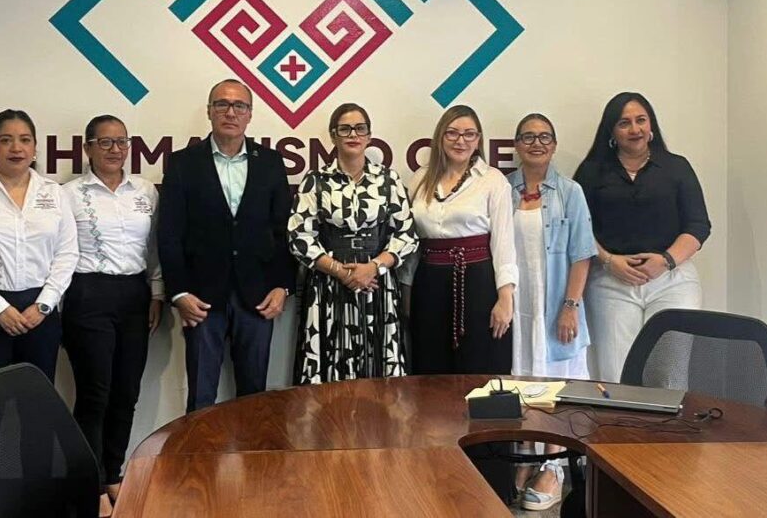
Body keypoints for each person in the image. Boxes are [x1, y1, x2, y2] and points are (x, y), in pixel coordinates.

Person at [157, 79, 295, 412]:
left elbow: (284, 230)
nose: (230, 112)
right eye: (222, 104)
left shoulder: (270, 162)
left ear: (249, 114)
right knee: (201, 400)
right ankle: (197, 450)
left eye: (239, 106)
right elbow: (170, 233)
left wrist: (283, 286)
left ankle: (252, 450)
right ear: (209, 112)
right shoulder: (183, 163)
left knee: (254, 398)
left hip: (258, 296)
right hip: (201, 299)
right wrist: (178, 293)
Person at [62, 115, 163, 517]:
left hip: (134, 295)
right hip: (88, 294)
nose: (115, 150)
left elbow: (154, 248)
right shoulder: (69, 194)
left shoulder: (144, 191)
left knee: (126, 392)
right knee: (95, 393)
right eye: (105, 142)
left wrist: (156, 292)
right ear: (87, 147)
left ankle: (114, 473)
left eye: (121, 142)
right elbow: (60, 250)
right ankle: (91, 482)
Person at [574, 91, 711, 383]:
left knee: (669, 374)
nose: (634, 129)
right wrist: (609, 261)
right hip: (611, 282)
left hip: (672, 281)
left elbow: (699, 225)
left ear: (651, 126)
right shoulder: (591, 172)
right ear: (612, 131)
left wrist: (666, 260)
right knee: (615, 374)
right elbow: (579, 227)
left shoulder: (676, 167)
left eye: (641, 120)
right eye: (624, 123)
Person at [289, 103, 418, 384]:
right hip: (328, 286)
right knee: (329, 376)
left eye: (360, 128)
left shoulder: (388, 180)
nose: (353, 135)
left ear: (369, 136)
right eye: (345, 129)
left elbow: (406, 235)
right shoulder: (315, 180)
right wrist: (340, 271)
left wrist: (373, 268)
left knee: (380, 373)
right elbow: (299, 237)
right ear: (333, 135)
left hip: (378, 286)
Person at [0, 109, 78, 383]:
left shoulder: (54, 193)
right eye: (6, 140)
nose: (16, 148)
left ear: (35, 148)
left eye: (25, 140)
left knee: (35, 399)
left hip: (39, 314)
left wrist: (44, 305)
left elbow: (67, 253)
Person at [507, 113, 596, 512]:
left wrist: (570, 307)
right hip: (518, 309)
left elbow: (582, 254)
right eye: (528, 137)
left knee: (556, 390)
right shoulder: (503, 188)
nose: (537, 143)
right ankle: (525, 456)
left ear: (555, 145)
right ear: (517, 145)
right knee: (522, 386)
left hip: (556, 306)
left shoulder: (570, 192)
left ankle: (554, 468)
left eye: (545, 137)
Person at [404, 105, 517, 375]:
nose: (460, 141)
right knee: (430, 364)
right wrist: (406, 291)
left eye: (469, 134)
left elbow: (503, 243)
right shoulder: (420, 179)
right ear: (440, 137)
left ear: (478, 139)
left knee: (479, 363)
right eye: (452, 133)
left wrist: (505, 298)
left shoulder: (493, 181)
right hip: (429, 283)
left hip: (478, 283)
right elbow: (411, 242)